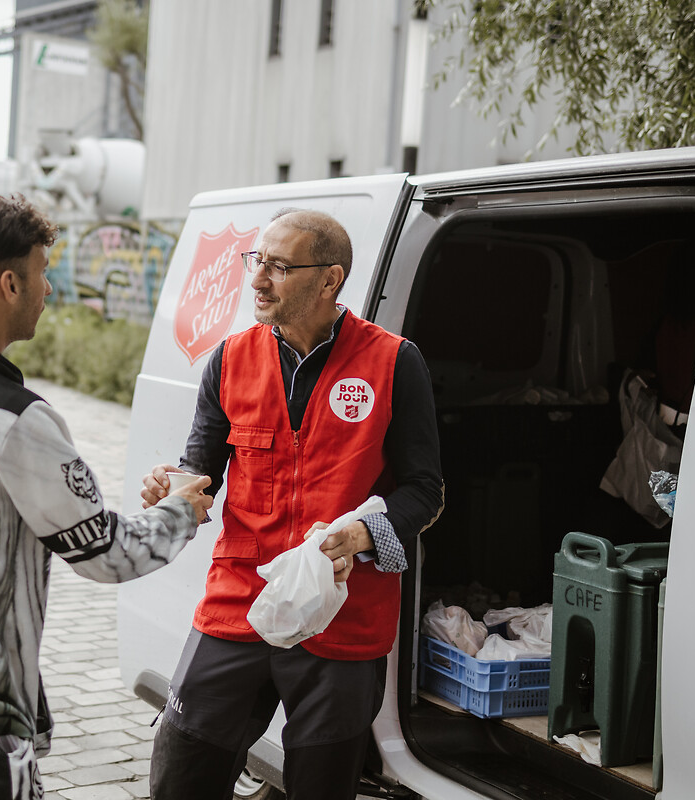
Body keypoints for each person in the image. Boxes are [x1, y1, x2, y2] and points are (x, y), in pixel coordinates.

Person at [0, 192, 213, 800]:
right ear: (9, 284)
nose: (48, 289)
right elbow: (109, 554)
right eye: (41, 273)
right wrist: (181, 510)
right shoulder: (13, 420)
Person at [140, 208, 444, 800]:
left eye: (279, 267)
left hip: (344, 616)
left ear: (330, 280)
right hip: (238, 603)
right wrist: (171, 489)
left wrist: (362, 537)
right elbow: (200, 472)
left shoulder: (393, 362)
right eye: (258, 261)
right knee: (181, 776)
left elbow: (425, 492)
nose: (258, 279)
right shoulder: (229, 360)